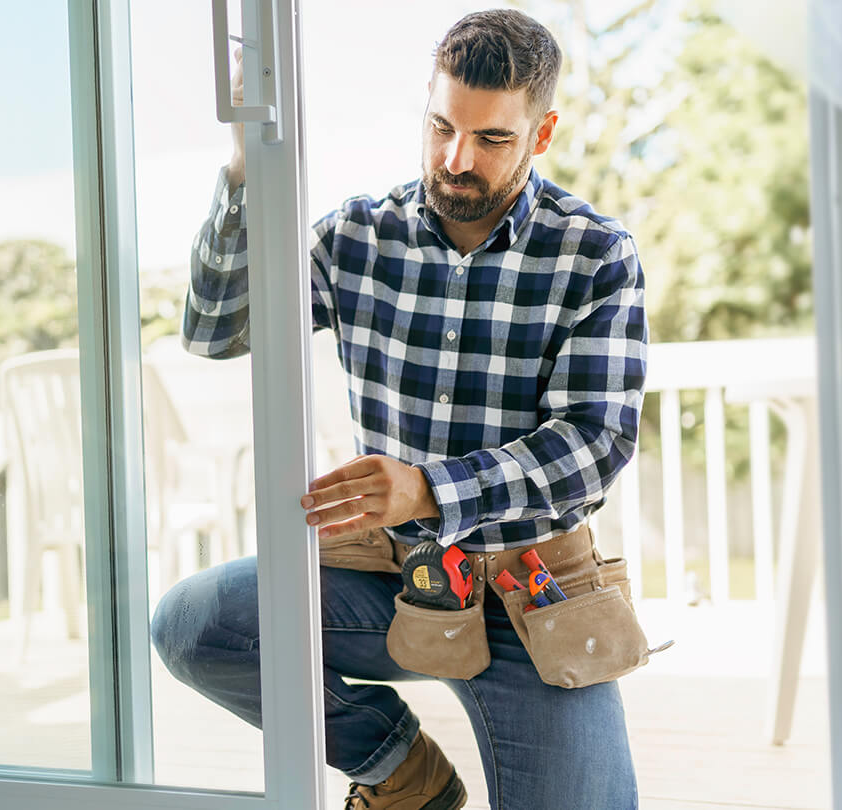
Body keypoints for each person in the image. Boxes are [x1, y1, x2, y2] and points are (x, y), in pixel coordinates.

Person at [150, 8, 646, 809]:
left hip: (529, 596)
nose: (457, 159)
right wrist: (243, 170)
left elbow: (595, 442)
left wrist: (428, 489)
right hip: (393, 580)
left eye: (492, 139)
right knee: (194, 625)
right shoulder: (356, 236)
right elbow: (213, 330)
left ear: (542, 134)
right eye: (442, 126)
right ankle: (400, 771)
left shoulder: (594, 252)